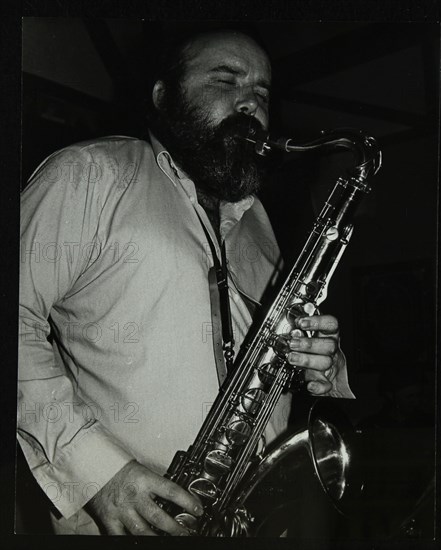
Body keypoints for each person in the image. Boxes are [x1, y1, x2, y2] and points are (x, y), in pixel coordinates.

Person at [18, 29, 354, 536]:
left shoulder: (258, 219)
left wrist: (320, 363)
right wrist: (97, 473)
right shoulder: (88, 174)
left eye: (262, 93)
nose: (250, 102)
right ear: (163, 96)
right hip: (128, 520)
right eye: (226, 80)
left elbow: (265, 356)